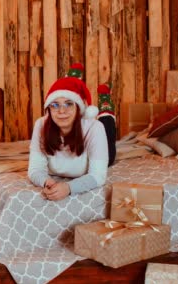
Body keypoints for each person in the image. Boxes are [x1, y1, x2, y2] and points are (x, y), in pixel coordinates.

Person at [28, 65, 117, 201]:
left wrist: (69, 188)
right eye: (55, 105)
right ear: (49, 109)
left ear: (78, 108)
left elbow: (98, 176)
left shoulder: (95, 127)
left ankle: (105, 102)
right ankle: (72, 81)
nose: (61, 111)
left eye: (69, 104)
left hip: (97, 133)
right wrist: (47, 181)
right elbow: (35, 169)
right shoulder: (41, 125)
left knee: (107, 127)